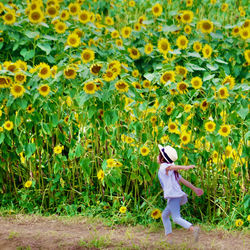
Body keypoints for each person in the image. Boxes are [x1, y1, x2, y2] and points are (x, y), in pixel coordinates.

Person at [157, 144, 204, 243]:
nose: (157, 156)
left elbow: (169, 168)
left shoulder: (164, 167)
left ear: (162, 158)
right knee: (165, 215)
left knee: (176, 218)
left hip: (174, 196)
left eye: (159, 155)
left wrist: (184, 167)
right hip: (174, 196)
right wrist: (194, 189)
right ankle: (169, 238)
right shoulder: (174, 170)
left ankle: (193, 229)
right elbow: (183, 181)